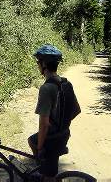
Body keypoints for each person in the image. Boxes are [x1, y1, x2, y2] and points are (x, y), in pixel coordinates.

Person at [28, 44, 78, 182]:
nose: (38, 65)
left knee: (35, 144)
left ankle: (44, 171)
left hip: (52, 139)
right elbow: (75, 111)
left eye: (38, 62)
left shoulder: (46, 88)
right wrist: (61, 124)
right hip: (64, 133)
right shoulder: (66, 84)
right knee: (32, 140)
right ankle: (43, 171)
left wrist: (39, 149)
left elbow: (43, 124)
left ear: (44, 64)